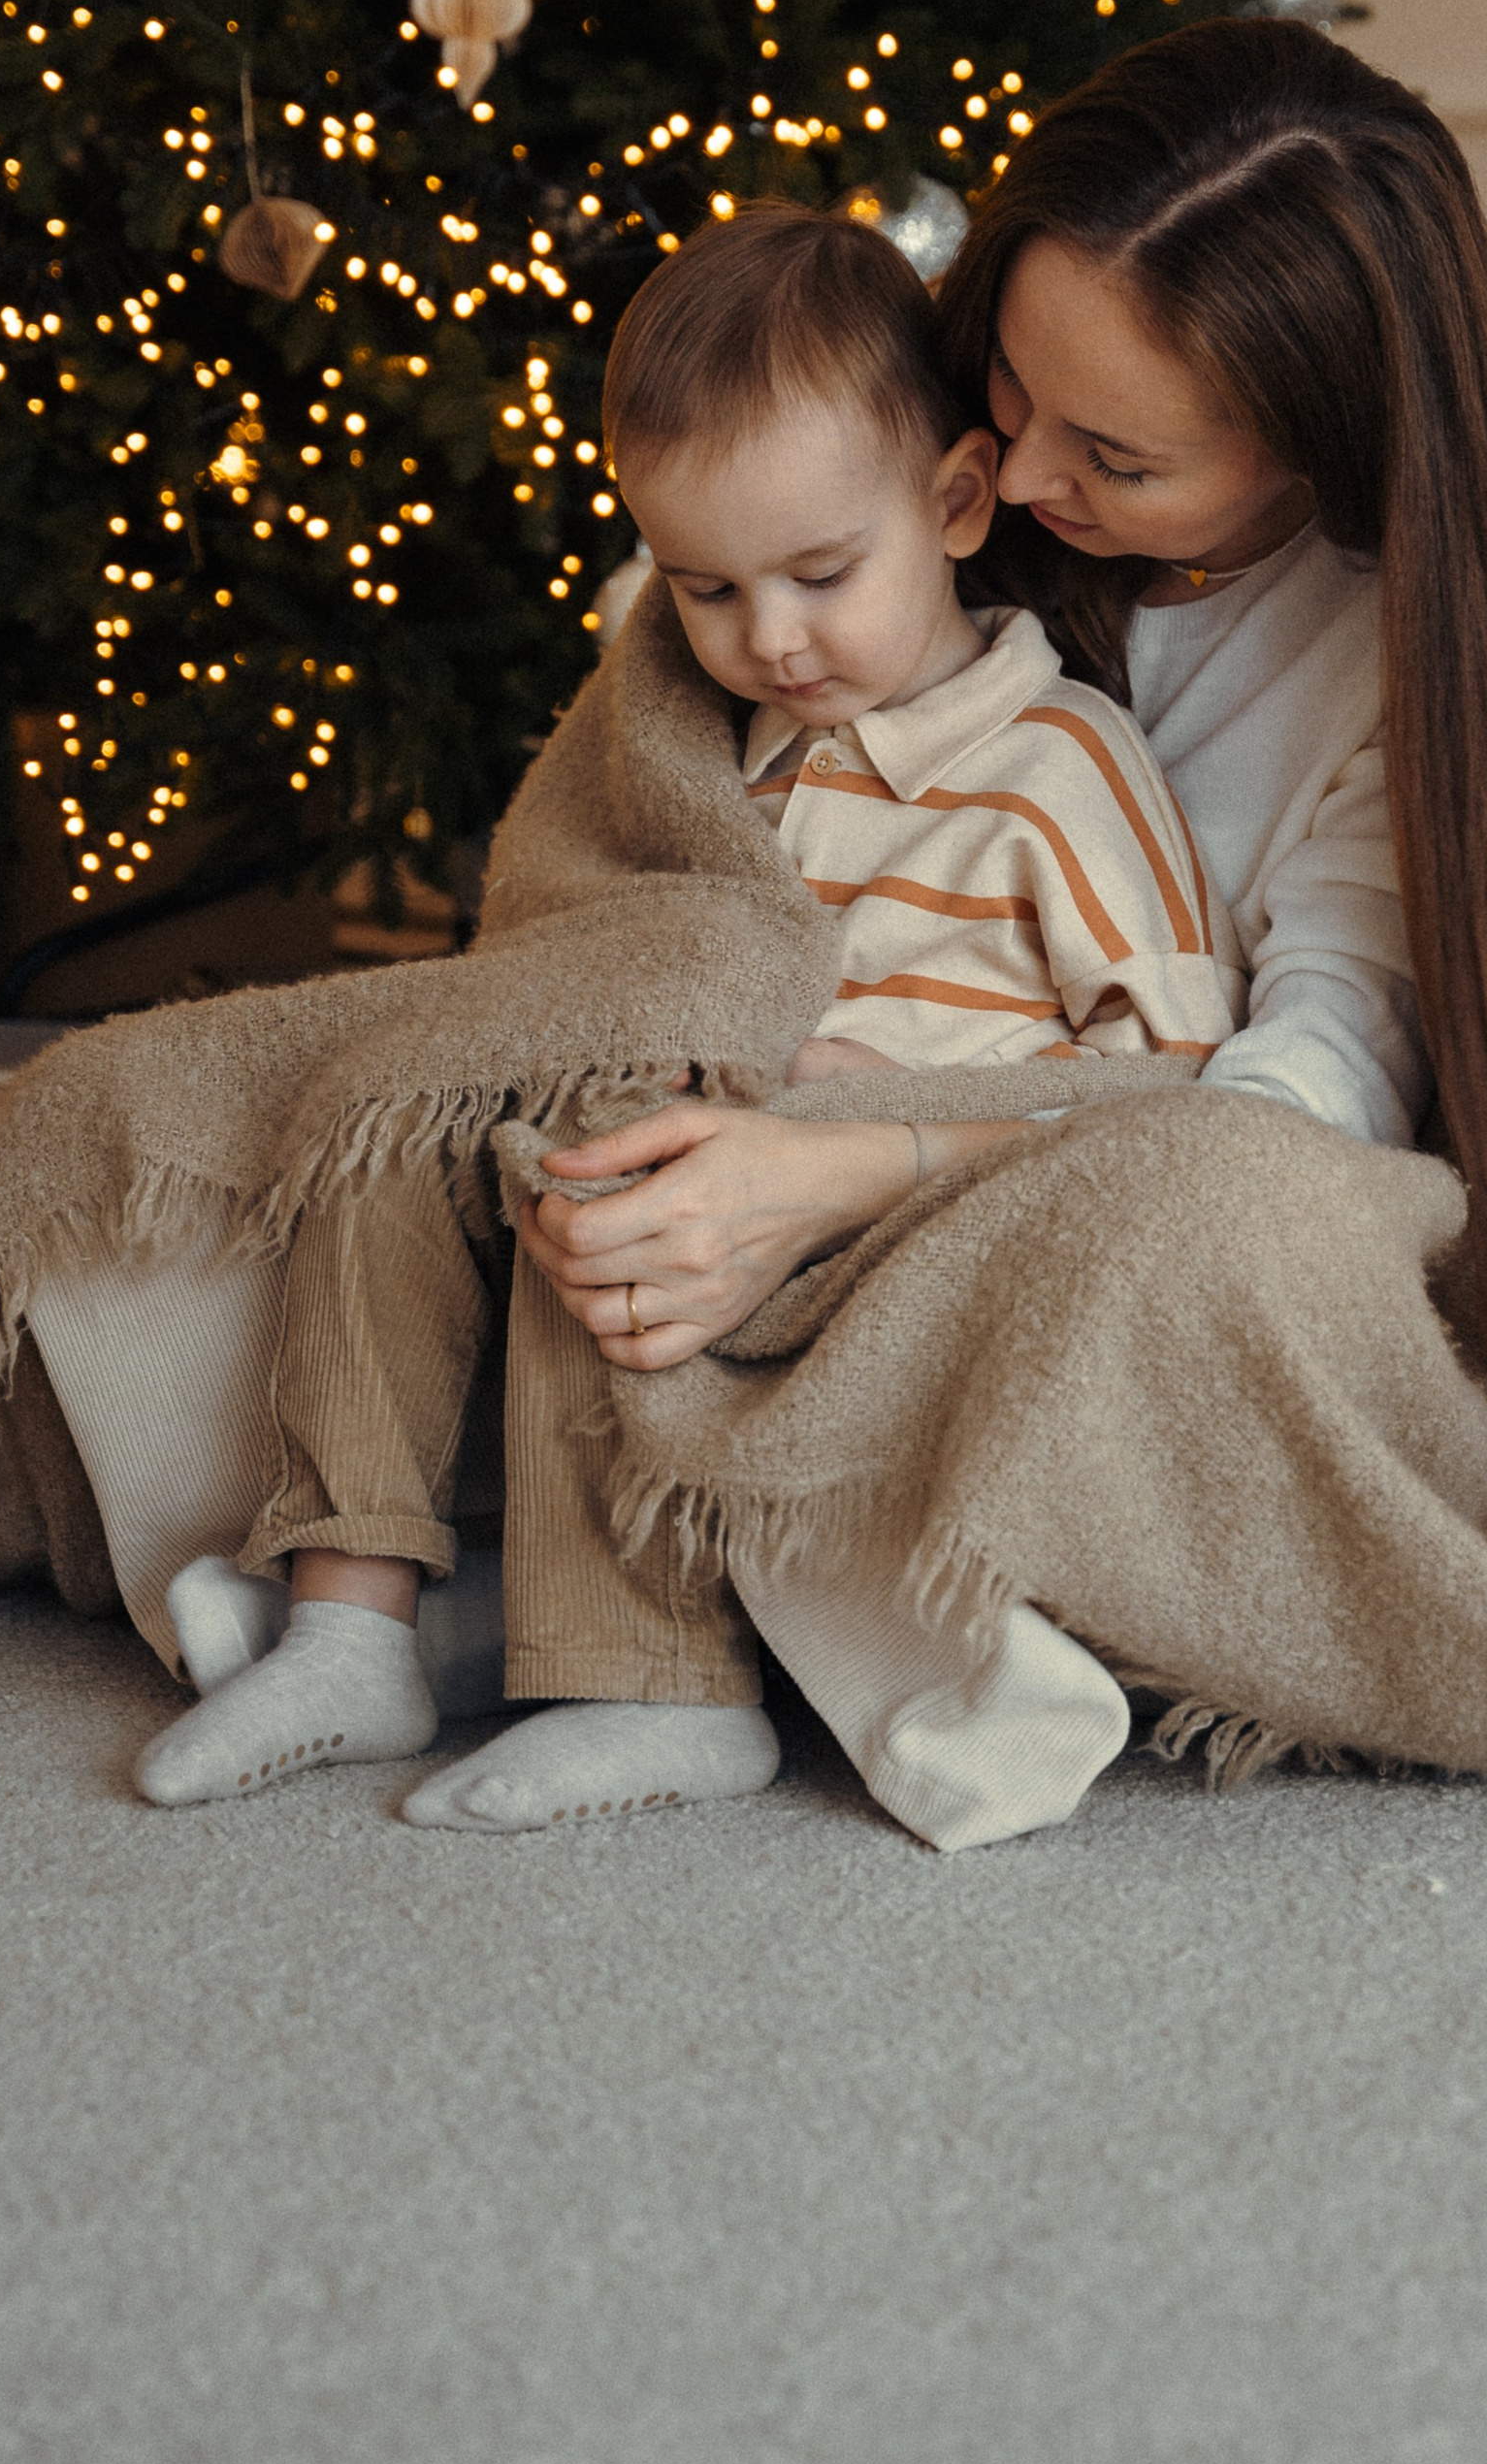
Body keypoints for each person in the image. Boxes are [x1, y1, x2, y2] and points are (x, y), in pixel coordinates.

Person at [497, 17, 1487, 1825]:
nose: (1021, 481)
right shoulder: (944, 494)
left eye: (1113, 459)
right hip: (834, 1094)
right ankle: (621, 1570)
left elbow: (1303, 1098)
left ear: (1319, 442)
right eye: (1014, 393)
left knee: (1188, 1217)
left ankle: (775, 1570)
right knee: (451, 1135)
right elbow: (662, 799)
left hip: (1160, 1177)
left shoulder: (1418, 661)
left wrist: (853, 1161)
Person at [128, 206, 1242, 1818]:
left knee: (613, 1160)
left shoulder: (1060, 770)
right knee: (404, 1114)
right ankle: (350, 1621)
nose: (766, 641)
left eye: (819, 575)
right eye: (707, 590)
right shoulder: (733, 751)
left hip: (884, 1201)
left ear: (952, 501)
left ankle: (651, 1678)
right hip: (691, 1124)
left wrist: (871, 1103)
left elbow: (1179, 1084)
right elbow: (615, 921)